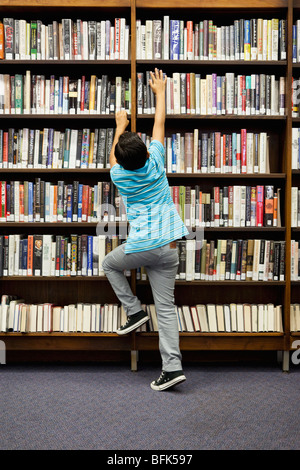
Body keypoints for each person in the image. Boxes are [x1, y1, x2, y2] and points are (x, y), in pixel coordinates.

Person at [102, 68, 189, 391]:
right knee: (166, 309)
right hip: (169, 248)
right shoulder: (156, 160)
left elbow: (113, 158)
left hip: (142, 247)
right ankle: (172, 368)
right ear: (145, 149)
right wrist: (160, 92)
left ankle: (135, 311)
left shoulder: (119, 176)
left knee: (109, 264)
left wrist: (119, 126)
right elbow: (159, 125)